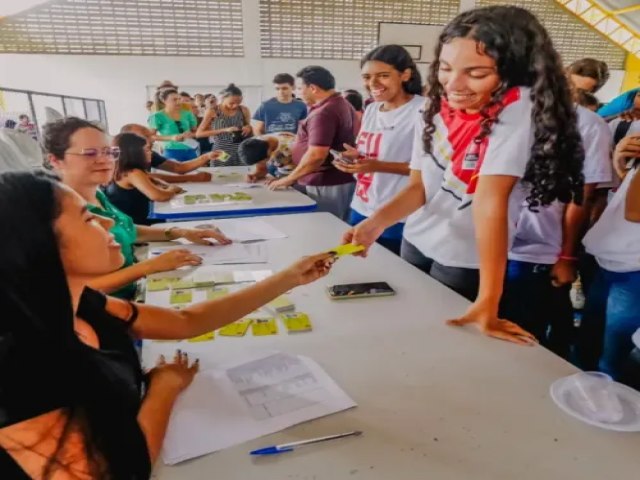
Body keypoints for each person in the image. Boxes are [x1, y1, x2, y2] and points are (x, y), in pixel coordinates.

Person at [0, 170, 336, 479]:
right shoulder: (22, 374)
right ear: (36, 245)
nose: (107, 224)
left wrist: (289, 278)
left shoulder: (80, 302)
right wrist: (164, 388)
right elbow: (122, 471)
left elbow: (184, 321)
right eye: (88, 218)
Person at [344, 6, 584, 345]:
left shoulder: (516, 108)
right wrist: (376, 223)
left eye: (476, 72)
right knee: (413, 330)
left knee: (446, 343)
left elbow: (490, 202)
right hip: (415, 239)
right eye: (445, 67)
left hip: (463, 257)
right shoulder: (436, 106)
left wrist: (489, 300)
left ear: (515, 71)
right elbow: (420, 186)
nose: (453, 84)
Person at [44, 117, 231, 300]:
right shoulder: (56, 212)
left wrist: (180, 232)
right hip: (105, 311)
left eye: (109, 152)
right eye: (90, 153)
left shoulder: (96, 193)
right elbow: (75, 291)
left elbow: (126, 229)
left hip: (134, 292)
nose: (105, 160)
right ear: (55, 161)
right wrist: (148, 267)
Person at [502, 104, 612, 357]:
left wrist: (567, 256)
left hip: (536, 253)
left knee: (526, 337)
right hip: (484, 248)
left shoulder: (586, 123)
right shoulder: (499, 112)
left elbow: (582, 198)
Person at [334, 45, 424, 255]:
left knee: (394, 274)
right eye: (366, 77)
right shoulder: (373, 108)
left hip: (396, 213)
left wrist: (377, 165)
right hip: (362, 205)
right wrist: (355, 157)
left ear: (405, 74)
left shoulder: (423, 110)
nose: (372, 83)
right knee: (359, 265)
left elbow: (432, 170)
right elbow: (375, 150)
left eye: (383, 76)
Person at [580, 132, 640, 382]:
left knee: (610, 361)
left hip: (632, 269)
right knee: (589, 345)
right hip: (611, 259)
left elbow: (635, 212)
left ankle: (601, 415)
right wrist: (621, 165)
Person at [268, 66, 357, 221]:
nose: (299, 92)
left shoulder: (324, 112)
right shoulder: (340, 103)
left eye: (301, 88)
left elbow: (316, 155)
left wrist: (288, 179)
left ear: (313, 88)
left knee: (326, 226)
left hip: (326, 182)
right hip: (335, 180)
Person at [106, 133, 180, 226]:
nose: (151, 153)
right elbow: (159, 196)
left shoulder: (119, 169)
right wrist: (172, 190)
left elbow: (153, 179)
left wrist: (164, 185)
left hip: (130, 222)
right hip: (139, 224)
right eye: (147, 150)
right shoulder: (133, 172)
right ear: (134, 153)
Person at [121, 124, 217, 183]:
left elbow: (179, 168)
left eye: (150, 136)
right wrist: (192, 178)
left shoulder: (149, 153)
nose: (152, 140)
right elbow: (146, 178)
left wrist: (207, 156)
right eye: (146, 136)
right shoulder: (121, 158)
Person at [196, 84, 252, 166]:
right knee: (219, 176)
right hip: (221, 151)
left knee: (243, 176)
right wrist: (224, 130)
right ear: (223, 98)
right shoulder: (213, 111)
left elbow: (249, 127)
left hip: (241, 150)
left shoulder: (243, 110)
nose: (235, 105)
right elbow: (199, 134)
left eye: (238, 102)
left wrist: (248, 127)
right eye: (231, 103)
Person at [148, 89, 199, 161]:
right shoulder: (157, 116)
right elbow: (151, 136)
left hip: (190, 150)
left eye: (179, 99)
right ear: (164, 100)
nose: (178, 102)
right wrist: (171, 137)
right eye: (174, 100)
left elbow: (195, 131)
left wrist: (191, 134)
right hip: (171, 151)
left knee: (194, 172)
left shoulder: (188, 114)